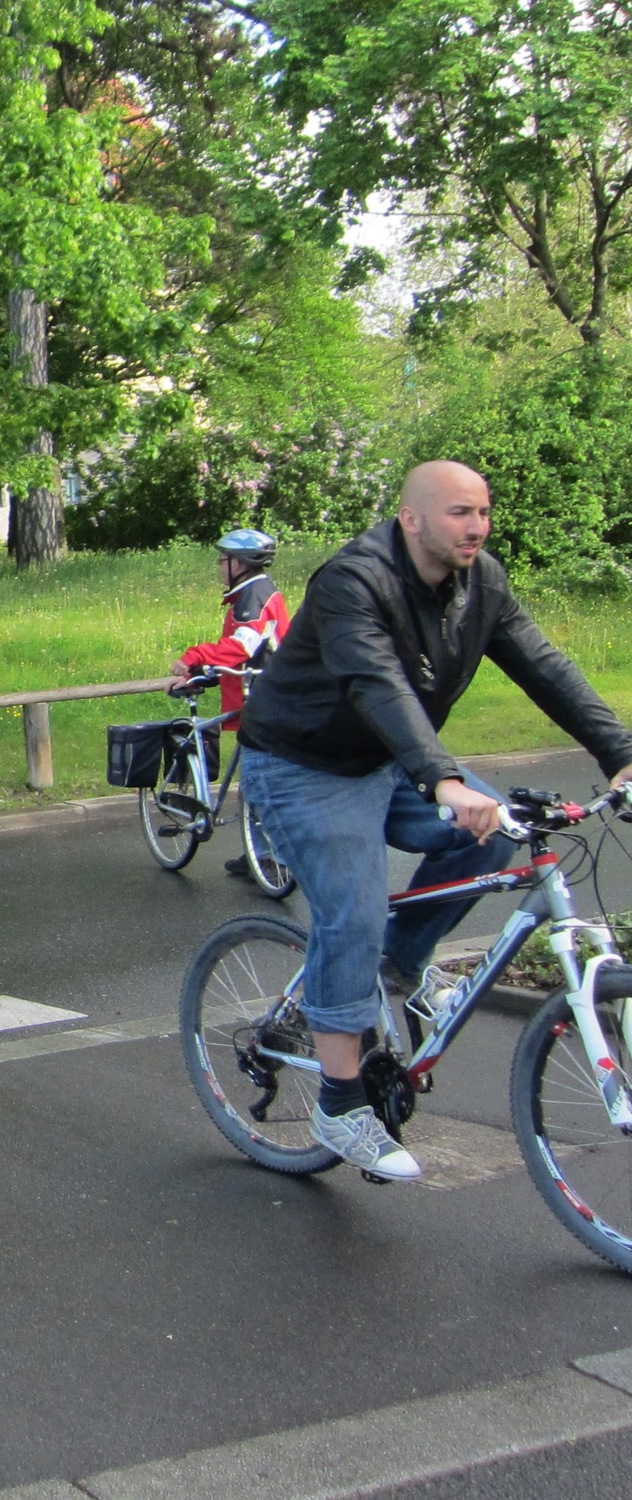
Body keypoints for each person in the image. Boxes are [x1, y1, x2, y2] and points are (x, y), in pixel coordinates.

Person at [239, 461, 632, 1182]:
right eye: (459, 513)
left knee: (495, 835)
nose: (476, 527)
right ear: (411, 518)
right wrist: (444, 779)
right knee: (351, 915)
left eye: (482, 512)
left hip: (390, 759)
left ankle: (394, 968)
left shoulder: (483, 581)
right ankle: (339, 1102)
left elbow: (543, 664)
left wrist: (621, 753)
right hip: (303, 766)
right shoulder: (353, 581)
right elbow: (374, 684)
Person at [170, 527, 292, 878]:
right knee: (256, 782)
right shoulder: (256, 592)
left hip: (263, 702)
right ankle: (260, 854)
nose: (219, 566)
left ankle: (267, 856)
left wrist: (195, 656)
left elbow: (242, 646)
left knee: (259, 782)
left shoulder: (254, 596)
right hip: (262, 698)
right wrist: (208, 670)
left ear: (239, 564)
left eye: (222, 560)